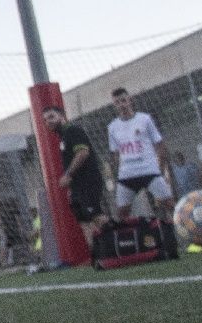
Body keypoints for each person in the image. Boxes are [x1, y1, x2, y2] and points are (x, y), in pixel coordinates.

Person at [105, 88, 178, 259]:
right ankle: (129, 247)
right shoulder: (112, 127)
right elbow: (115, 154)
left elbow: (159, 144)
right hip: (127, 174)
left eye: (124, 100)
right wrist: (117, 174)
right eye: (117, 102)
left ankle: (182, 238)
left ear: (130, 100)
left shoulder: (144, 119)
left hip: (149, 170)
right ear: (114, 105)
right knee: (122, 213)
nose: (121, 104)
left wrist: (160, 168)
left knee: (170, 204)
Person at [43, 106, 106, 259]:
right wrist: (72, 186)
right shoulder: (63, 136)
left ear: (62, 116)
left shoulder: (73, 131)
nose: (48, 122)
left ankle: (117, 245)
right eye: (45, 120)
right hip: (77, 185)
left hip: (88, 181)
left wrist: (68, 175)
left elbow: (83, 152)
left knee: (96, 216)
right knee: (83, 219)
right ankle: (96, 256)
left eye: (51, 117)